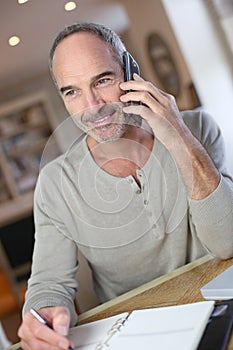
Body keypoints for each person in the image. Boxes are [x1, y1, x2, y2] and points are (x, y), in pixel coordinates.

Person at [18, 22, 233, 349]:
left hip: (221, 310)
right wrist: (44, 317)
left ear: (131, 73)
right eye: (72, 91)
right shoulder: (55, 183)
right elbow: (49, 283)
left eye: (102, 80)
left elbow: (228, 242)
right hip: (135, 333)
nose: (92, 106)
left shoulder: (198, 129)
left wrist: (176, 133)